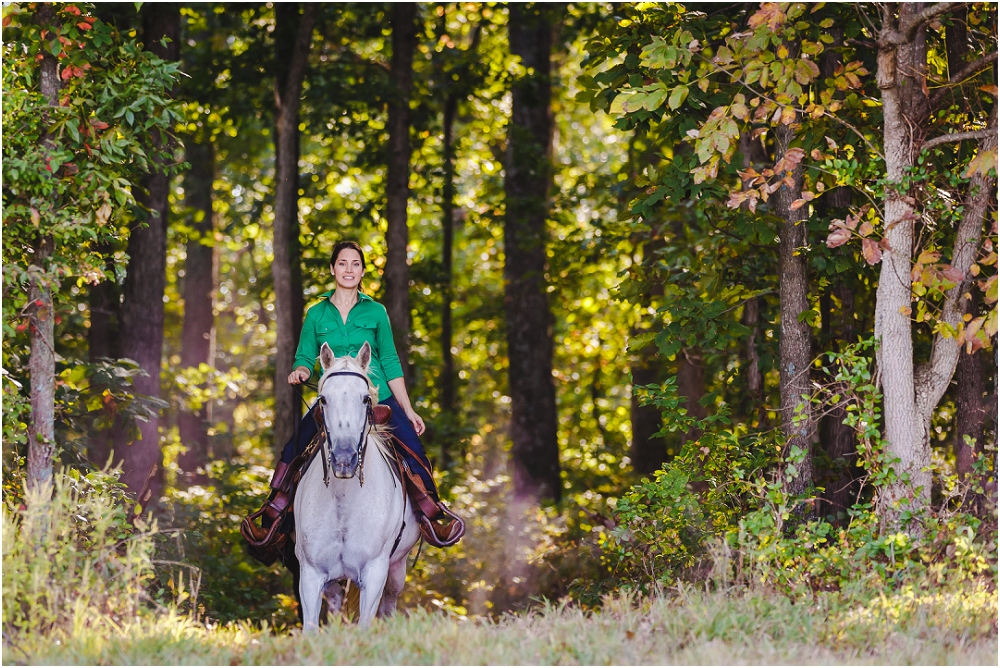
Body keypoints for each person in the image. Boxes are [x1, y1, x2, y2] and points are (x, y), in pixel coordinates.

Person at [262, 240, 462, 547]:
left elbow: (391, 360)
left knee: (414, 450)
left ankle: (431, 518)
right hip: (330, 401)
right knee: (294, 450)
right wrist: (301, 370)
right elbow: (304, 356)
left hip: (376, 397)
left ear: (363, 270)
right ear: (332, 269)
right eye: (342, 263)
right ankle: (273, 519)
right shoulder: (317, 313)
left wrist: (408, 409)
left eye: (355, 264)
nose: (348, 269)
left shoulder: (376, 311)